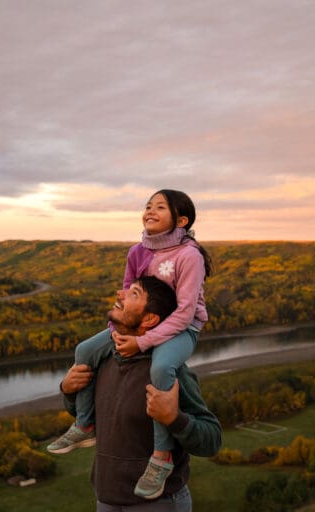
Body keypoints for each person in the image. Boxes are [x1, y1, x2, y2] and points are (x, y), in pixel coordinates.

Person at [48, 189, 213, 500]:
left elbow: (186, 311)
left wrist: (143, 342)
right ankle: (85, 425)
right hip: (143, 328)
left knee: (162, 366)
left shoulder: (188, 255)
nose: (150, 210)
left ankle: (161, 457)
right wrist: (118, 329)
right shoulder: (138, 251)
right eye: (148, 205)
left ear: (181, 220)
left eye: (160, 207)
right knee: (85, 350)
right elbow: (127, 293)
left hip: (181, 328)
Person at [57, 275, 222, 510]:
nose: (120, 294)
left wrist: (175, 419)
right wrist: (68, 391)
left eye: (133, 294)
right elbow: (93, 418)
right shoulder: (103, 361)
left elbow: (212, 440)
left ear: (150, 319)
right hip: (106, 500)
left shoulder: (168, 374)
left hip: (157, 504)